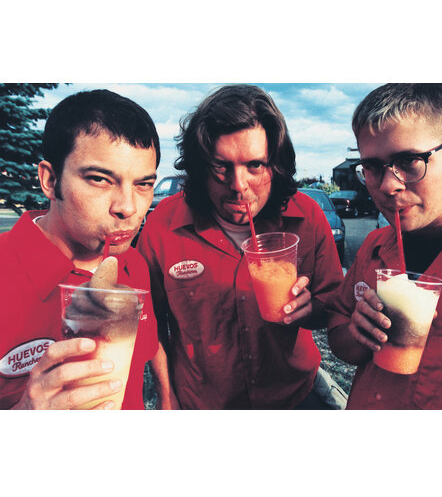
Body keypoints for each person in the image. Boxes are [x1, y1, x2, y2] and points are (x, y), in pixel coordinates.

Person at [137, 84, 344, 409]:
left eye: (255, 165)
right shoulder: (164, 225)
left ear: (275, 164)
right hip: (202, 403)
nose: (238, 185)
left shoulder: (307, 218)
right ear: (200, 166)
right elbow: (150, 317)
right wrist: (166, 395)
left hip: (294, 397)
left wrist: (310, 308)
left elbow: (333, 307)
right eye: (220, 166)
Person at [328, 83, 442, 409]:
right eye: (372, 167)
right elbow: (338, 331)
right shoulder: (375, 246)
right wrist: (356, 333)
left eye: (409, 160)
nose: (388, 185)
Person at [0, 89, 170, 410]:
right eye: (100, 179)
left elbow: (150, 348)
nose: (128, 207)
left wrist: (167, 400)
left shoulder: (133, 264)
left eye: (143, 184)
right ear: (51, 180)